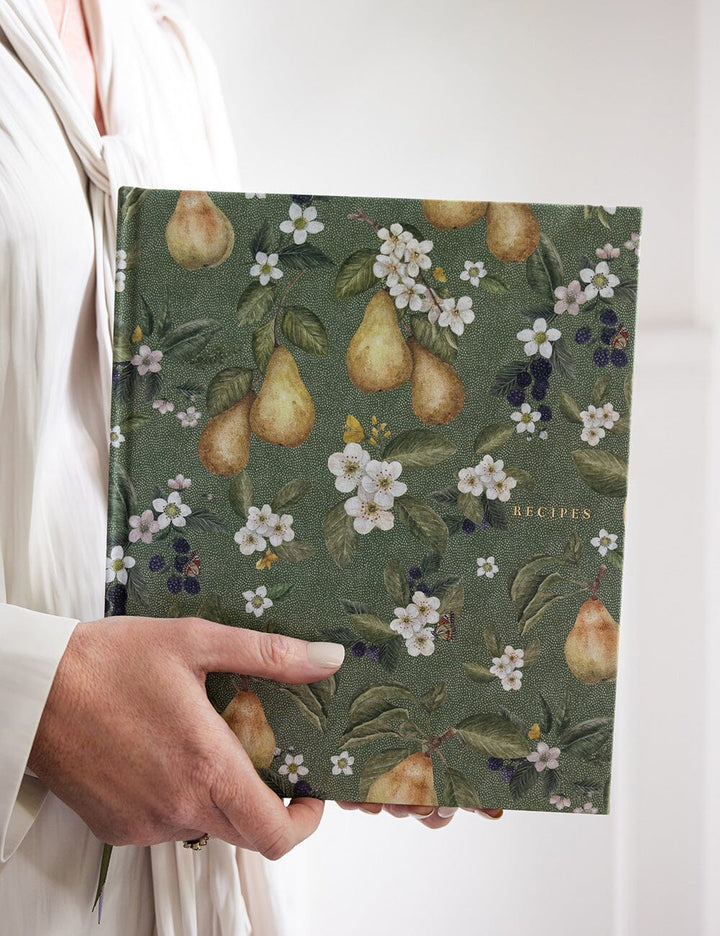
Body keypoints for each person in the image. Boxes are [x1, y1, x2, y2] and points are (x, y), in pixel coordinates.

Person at [0, 1, 501, 933]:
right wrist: (40, 694)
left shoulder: (166, 52)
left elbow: (214, 459)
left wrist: (363, 693)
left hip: (206, 876)